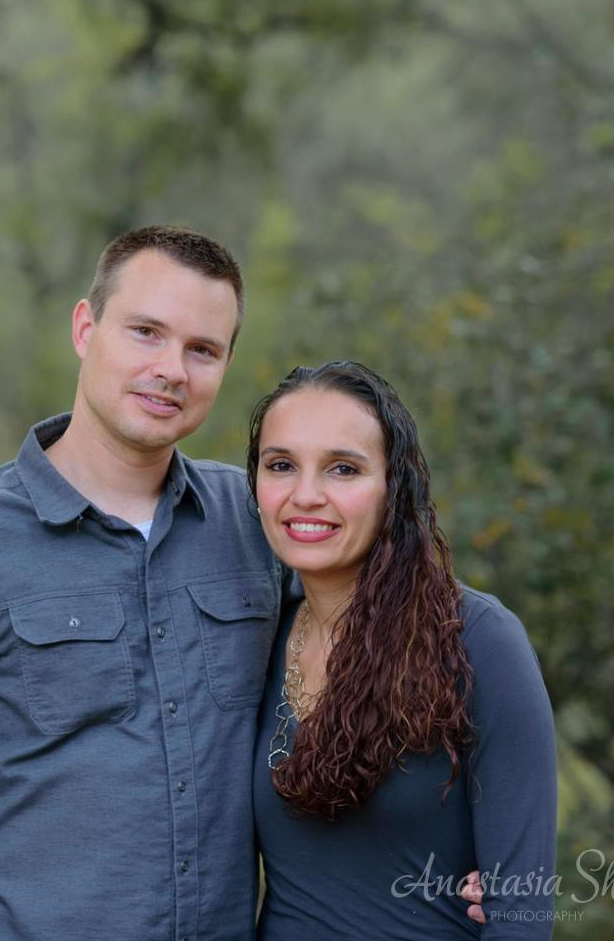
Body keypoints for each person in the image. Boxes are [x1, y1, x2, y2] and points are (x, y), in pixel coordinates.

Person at [0, 226, 285, 940]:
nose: (172, 369)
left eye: (202, 349)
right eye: (146, 332)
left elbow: (362, 677)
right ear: (86, 328)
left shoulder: (256, 523)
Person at [247, 361, 557, 938]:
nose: (306, 495)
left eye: (343, 468)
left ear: (394, 486)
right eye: (281, 465)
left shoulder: (478, 641)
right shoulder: (255, 635)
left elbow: (523, 913)